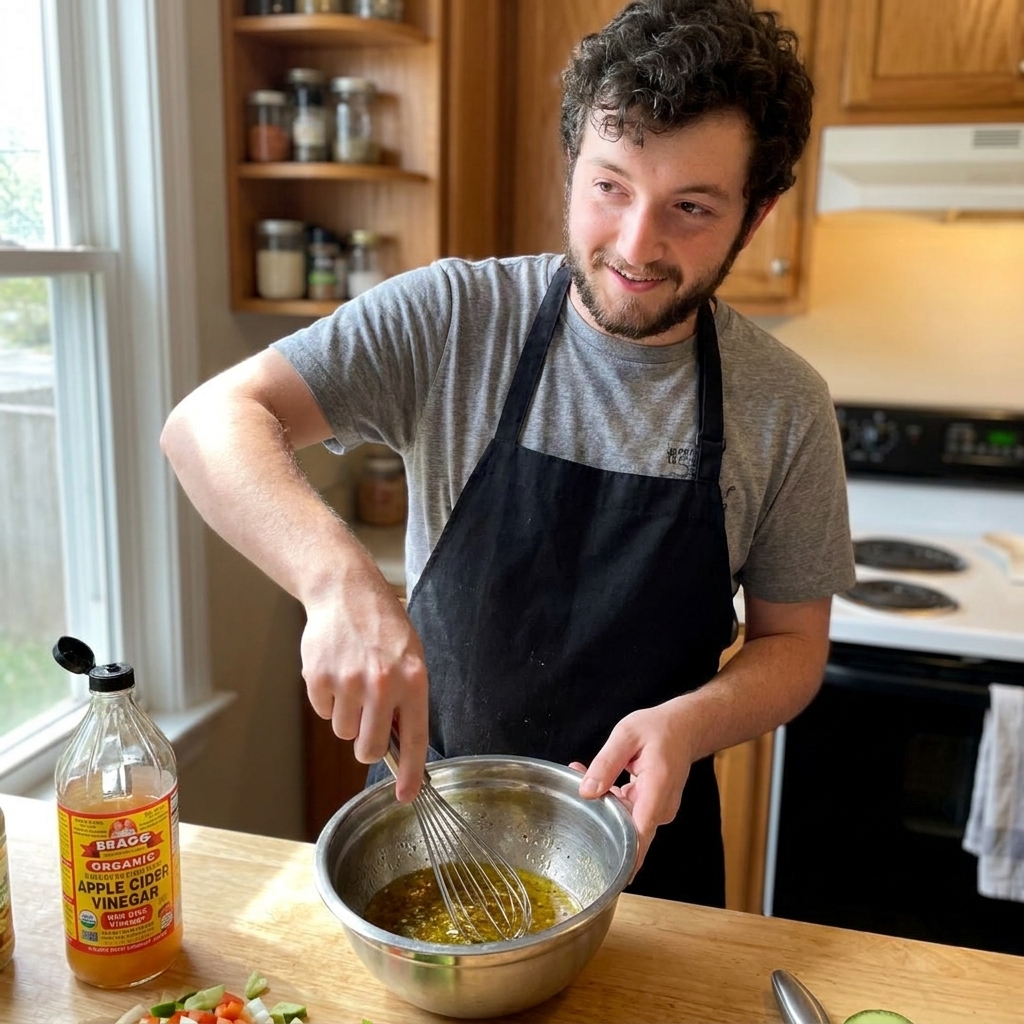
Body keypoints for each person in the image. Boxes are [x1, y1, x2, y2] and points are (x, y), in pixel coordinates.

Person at [161, 0, 855, 907]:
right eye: (610, 187)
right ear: (573, 167)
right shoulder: (454, 319)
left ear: (754, 217)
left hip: (650, 857)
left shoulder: (785, 405)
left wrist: (691, 723)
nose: (636, 247)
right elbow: (208, 420)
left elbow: (794, 647)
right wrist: (337, 582)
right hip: (427, 821)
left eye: (690, 207)